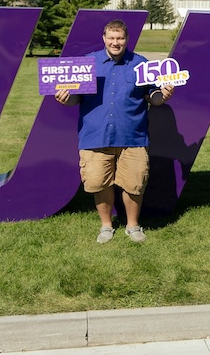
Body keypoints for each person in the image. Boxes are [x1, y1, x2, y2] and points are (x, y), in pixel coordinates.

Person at [55, 19, 174, 243]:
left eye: (120, 38)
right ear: (104, 39)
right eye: (111, 38)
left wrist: (163, 96)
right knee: (99, 182)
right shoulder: (88, 63)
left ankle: (133, 226)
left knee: (135, 183)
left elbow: (152, 97)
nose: (115, 42)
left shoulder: (140, 64)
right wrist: (66, 99)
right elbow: (76, 98)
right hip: (95, 135)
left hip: (133, 135)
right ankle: (106, 226)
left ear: (127, 39)